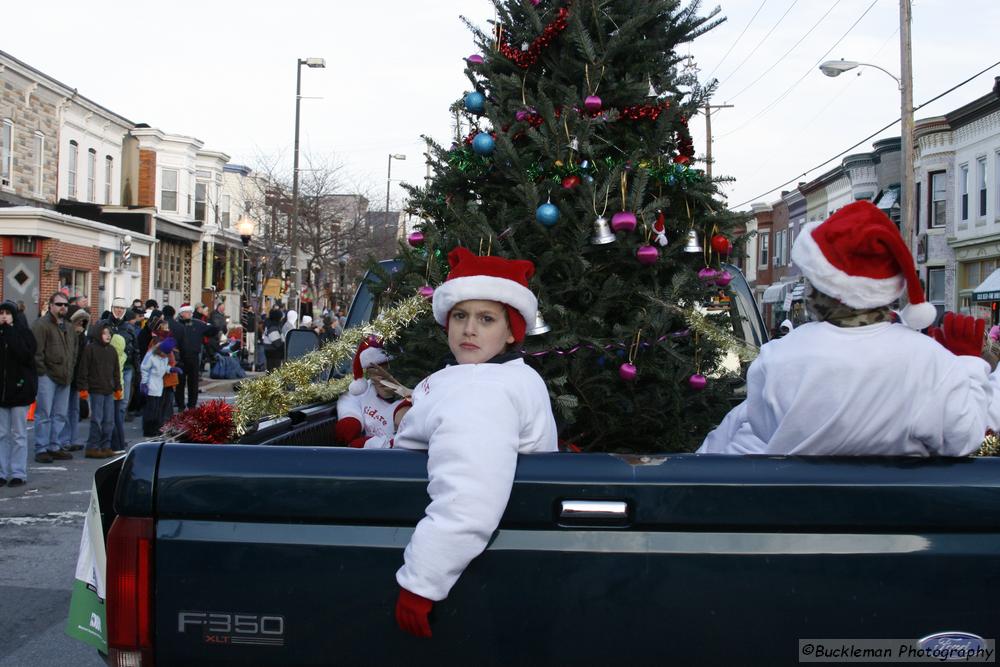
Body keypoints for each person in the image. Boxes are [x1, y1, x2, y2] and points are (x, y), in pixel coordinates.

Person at [698, 200, 995, 456]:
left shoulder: (778, 357)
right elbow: (963, 438)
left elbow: (764, 429)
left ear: (817, 284)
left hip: (796, 515)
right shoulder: (928, 359)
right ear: (888, 288)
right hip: (898, 516)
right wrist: (969, 365)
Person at [391, 247, 558, 638]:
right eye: (461, 316)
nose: (469, 329)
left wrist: (421, 582)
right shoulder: (491, 375)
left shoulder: (482, 391)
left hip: (455, 559)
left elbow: (467, 499)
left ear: (512, 330)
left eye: (487, 319)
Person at [334, 340, 411, 449]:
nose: (381, 378)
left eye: (387, 370)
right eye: (374, 372)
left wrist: (366, 444)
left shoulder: (411, 395)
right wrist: (351, 418)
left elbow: (408, 441)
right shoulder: (365, 389)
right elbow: (349, 399)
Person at [31, 292, 77, 463]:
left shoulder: (69, 326)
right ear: (50, 305)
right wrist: (42, 372)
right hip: (47, 376)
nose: (63, 307)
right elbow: (36, 352)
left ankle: (54, 445)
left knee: (59, 414)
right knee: (44, 413)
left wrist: (70, 368)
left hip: (65, 375)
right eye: (59, 304)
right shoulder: (41, 325)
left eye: (65, 304)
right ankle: (41, 448)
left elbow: (74, 350)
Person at [0, 301, 37, 487]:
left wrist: (10, 332)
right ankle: (2, 471)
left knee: (18, 434)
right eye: (2, 313)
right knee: (2, 434)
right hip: (2, 393)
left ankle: (17, 472)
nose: (4, 316)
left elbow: (25, 355)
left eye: (8, 313)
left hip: (20, 391)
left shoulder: (23, 333)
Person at [77, 322, 122, 459]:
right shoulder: (90, 349)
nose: (107, 336)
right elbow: (83, 369)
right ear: (98, 334)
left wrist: (118, 387)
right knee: (96, 419)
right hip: (96, 389)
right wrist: (83, 387)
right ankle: (93, 446)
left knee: (109, 420)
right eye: (104, 333)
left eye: (109, 333)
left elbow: (116, 371)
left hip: (109, 389)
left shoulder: (112, 351)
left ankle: (105, 445)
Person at [170, 304, 217, 410]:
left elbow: (211, 331)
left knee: (193, 383)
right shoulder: (177, 324)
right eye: (187, 312)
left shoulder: (198, 323)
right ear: (182, 313)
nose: (189, 314)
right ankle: (180, 404)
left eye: (190, 312)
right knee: (180, 383)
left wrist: (214, 324)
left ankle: (192, 404)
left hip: (194, 356)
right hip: (180, 357)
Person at [61, 308, 91, 452]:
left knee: (74, 409)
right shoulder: (67, 336)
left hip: (76, 378)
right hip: (67, 376)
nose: (80, 325)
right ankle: (65, 439)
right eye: (78, 321)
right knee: (65, 410)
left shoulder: (83, 338)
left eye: (83, 322)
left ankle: (73, 439)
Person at [140, 338, 181, 437]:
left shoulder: (164, 357)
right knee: (150, 411)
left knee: (157, 410)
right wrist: (144, 383)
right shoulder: (151, 356)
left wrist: (171, 369)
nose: (165, 355)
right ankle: (148, 431)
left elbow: (163, 368)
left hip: (158, 386)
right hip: (150, 386)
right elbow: (144, 369)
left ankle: (156, 429)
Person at [109, 332, 128, 453]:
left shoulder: (111, 357)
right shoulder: (123, 356)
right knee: (118, 418)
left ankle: (115, 444)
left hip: (112, 389)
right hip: (120, 389)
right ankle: (121, 443)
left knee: (112, 418)